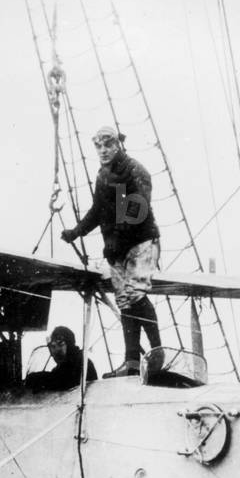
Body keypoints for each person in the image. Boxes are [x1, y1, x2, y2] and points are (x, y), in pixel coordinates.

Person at [61, 125, 163, 378]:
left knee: (136, 294)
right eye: (99, 146)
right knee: (125, 300)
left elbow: (137, 208)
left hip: (140, 242)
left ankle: (158, 351)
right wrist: (77, 231)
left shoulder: (134, 170)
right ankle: (131, 361)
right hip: (117, 248)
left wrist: (118, 237)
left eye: (109, 144)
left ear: (119, 145)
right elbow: (99, 210)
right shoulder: (104, 175)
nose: (104, 150)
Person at [25, 326, 97, 392]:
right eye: (51, 346)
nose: (53, 352)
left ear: (67, 344)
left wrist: (33, 378)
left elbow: (60, 380)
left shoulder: (78, 362)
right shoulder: (72, 361)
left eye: (54, 346)